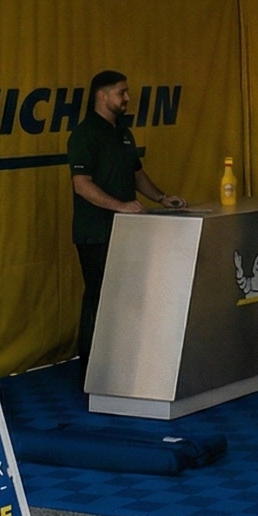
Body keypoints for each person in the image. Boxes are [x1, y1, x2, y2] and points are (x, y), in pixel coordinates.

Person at [66, 71, 185, 379]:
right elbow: (82, 185)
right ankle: (91, 371)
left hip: (128, 231)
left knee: (126, 300)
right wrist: (120, 207)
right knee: (99, 299)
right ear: (101, 96)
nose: (127, 98)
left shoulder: (123, 132)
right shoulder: (84, 134)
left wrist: (161, 197)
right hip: (96, 233)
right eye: (121, 93)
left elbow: (136, 172)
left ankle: (122, 367)